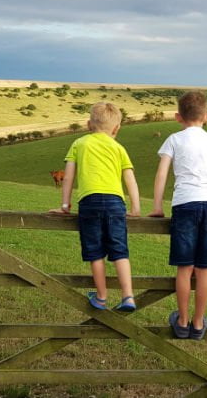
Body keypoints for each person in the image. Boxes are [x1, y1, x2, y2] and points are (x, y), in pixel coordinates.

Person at [149, 90, 207, 340]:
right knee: (204, 269)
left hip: (184, 205)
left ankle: (183, 320)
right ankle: (198, 324)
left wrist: (157, 206)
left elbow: (162, 174)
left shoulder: (173, 140)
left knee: (185, 269)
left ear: (178, 116)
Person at [50, 102, 140, 312]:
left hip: (89, 202)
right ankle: (128, 296)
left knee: (95, 252)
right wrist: (135, 208)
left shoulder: (79, 143)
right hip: (115, 203)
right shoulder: (119, 148)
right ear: (116, 128)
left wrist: (64, 205)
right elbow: (131, 180)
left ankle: (101, 296)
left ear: (89, 124)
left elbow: (69, 177)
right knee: (120, 250)